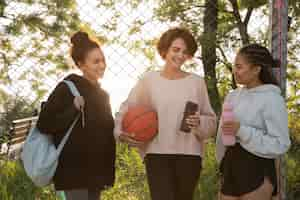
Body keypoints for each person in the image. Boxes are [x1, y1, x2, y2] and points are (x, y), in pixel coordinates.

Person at [114, 27, 217, 200]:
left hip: (189, 155)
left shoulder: (196, 83)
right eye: (176, 50)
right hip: (157, 154)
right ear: (165, 50)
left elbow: (211, 121)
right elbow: (127, 107)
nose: (180, 55)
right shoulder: (149, 80)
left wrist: (199, 123)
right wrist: (119, 132)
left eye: (185, 52)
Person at [36, 31, 116, 200]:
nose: (102, 65)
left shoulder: (103, 95)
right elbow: (44, 124)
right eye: (96, 61)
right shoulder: (67, 88)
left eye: (103, 60)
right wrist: (72, 109)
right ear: (81, 64)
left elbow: (107, 134)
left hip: (96, 172)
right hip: (73, 172)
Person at [216, 44, 291, 200]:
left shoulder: (272, 99)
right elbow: (222, 136)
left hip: (257, 170)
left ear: (256, 70)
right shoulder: (232, 96)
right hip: (230, 167)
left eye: (239, 67)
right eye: (234, 66)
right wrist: (222, 164)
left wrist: (242, 131)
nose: (234, 71)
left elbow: (281, 143)